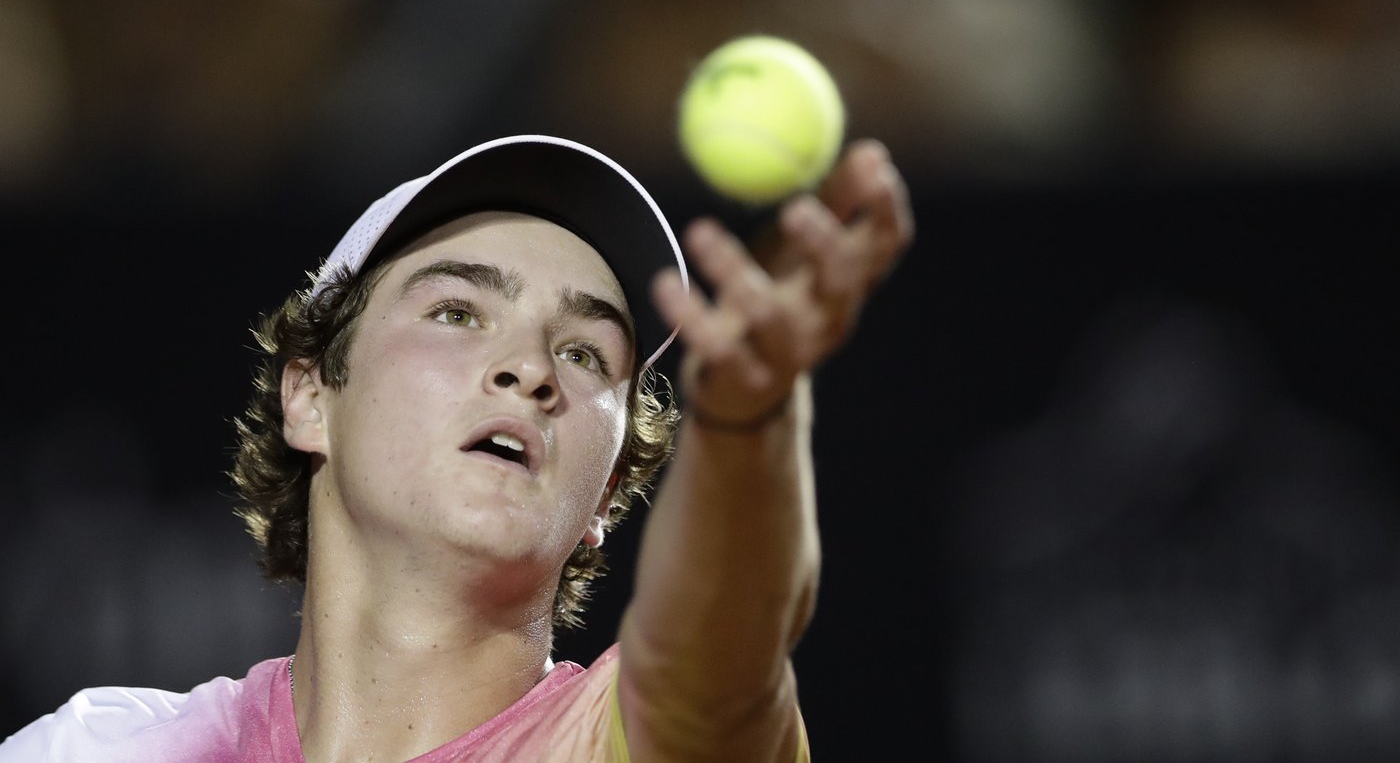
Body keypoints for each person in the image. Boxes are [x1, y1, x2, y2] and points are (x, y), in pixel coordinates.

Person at [1, 132, 913, 762]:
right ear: (312, 394)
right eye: (457, 311)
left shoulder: (633, 737)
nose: (529, 367)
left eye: (585, 352)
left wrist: (750, 417)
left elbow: (729, 640)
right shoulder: (95, 749)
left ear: (606, 498)